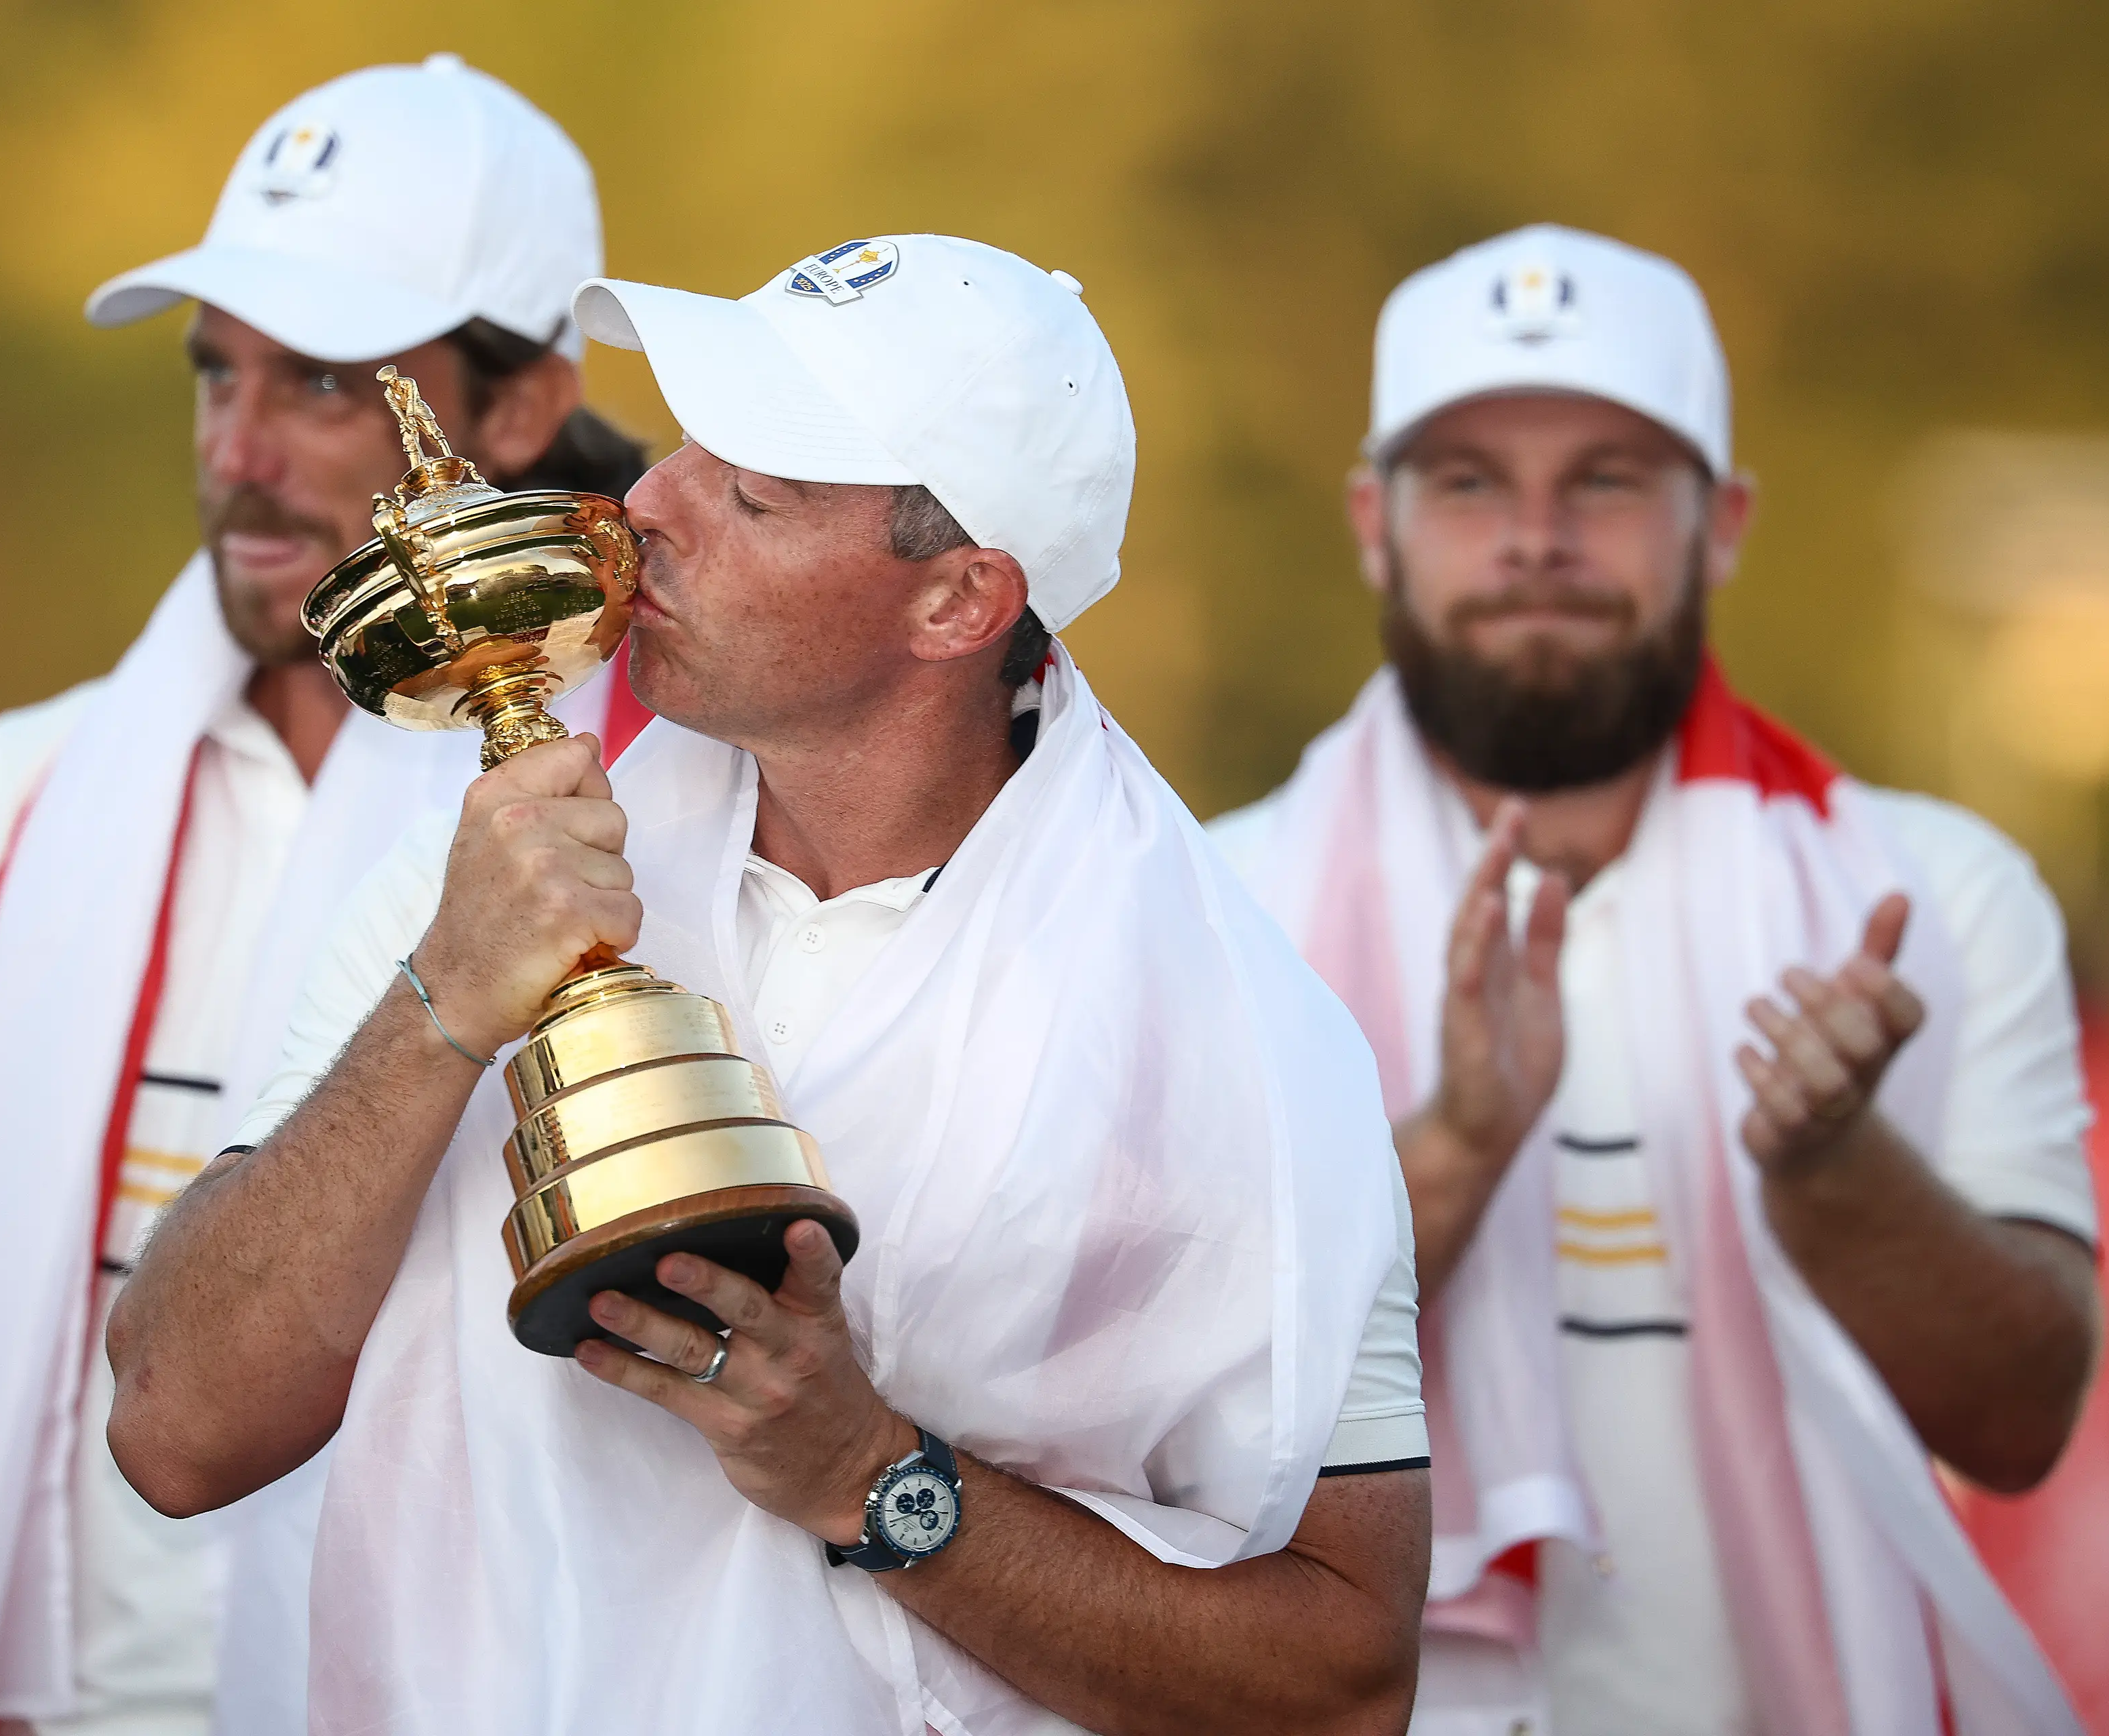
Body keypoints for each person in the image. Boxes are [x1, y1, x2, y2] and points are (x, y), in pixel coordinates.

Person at [105, 234, 1432, 1735]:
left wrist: (877, 1477)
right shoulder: (481, 872)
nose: (645, 504)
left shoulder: (1235, 1039)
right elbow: (173, 1426)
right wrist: (445, 1006)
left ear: (956, 602)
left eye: (753, 492)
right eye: (680, 444)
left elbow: (1346, 1678)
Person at [0, 57, 648, 1736]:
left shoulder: (658, 789)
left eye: (321, 382)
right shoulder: (36, 791)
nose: (238, 452)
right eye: (213, 374)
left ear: (530, 403)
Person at [1209, 222, 2102, 1735]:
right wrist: (1459, 1148)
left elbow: (2021, 1423)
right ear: (1374, 519)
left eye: (1609, 479)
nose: (1537, 537)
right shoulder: (1217, 899)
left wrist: (1837, 1171)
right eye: (1470, 479)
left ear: (1726, 520)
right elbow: (1157, 1426)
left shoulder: (1931, 893)